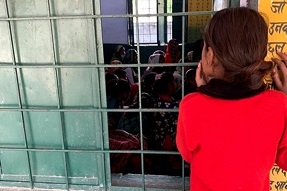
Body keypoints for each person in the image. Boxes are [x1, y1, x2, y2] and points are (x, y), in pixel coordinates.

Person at [176, 7, 287, 191]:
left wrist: (203, 92)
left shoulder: (191, 106)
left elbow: (188, 154)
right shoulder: (279, 104)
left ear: (210, 56)